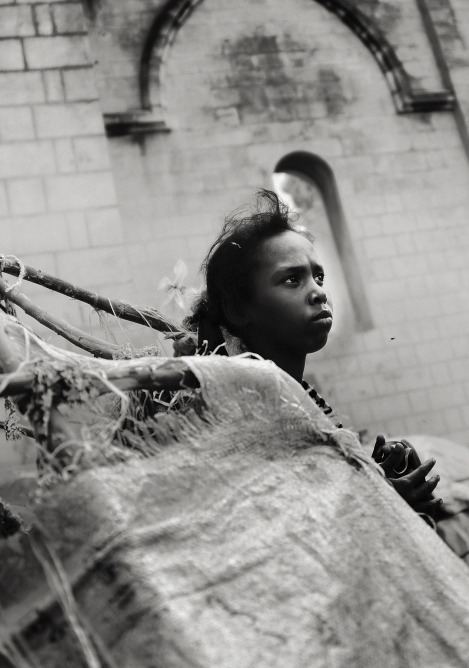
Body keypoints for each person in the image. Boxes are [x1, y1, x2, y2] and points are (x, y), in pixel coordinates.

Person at [181, 189, 441, 519]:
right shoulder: (243, 407)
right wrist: (380, 499)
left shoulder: (293, 394)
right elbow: (277, 522)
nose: (318, 292)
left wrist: (373, 474)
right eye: (292, 279)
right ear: (237, 308)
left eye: (318, 276)